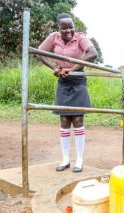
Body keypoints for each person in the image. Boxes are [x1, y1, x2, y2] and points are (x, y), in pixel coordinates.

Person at [36, 13, 97, 172]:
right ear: (59, 28)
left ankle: (79, 160)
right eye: (65, 28)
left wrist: (72, 69)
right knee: (64, 121)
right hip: (62, 80)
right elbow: (39, 52)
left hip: (77, 79)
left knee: (77, 120)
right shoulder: (53, 37)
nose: (69, 30)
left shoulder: (80, 37)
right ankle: (65, 159)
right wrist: (55, 68)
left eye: (71, 27)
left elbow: (93, 53)